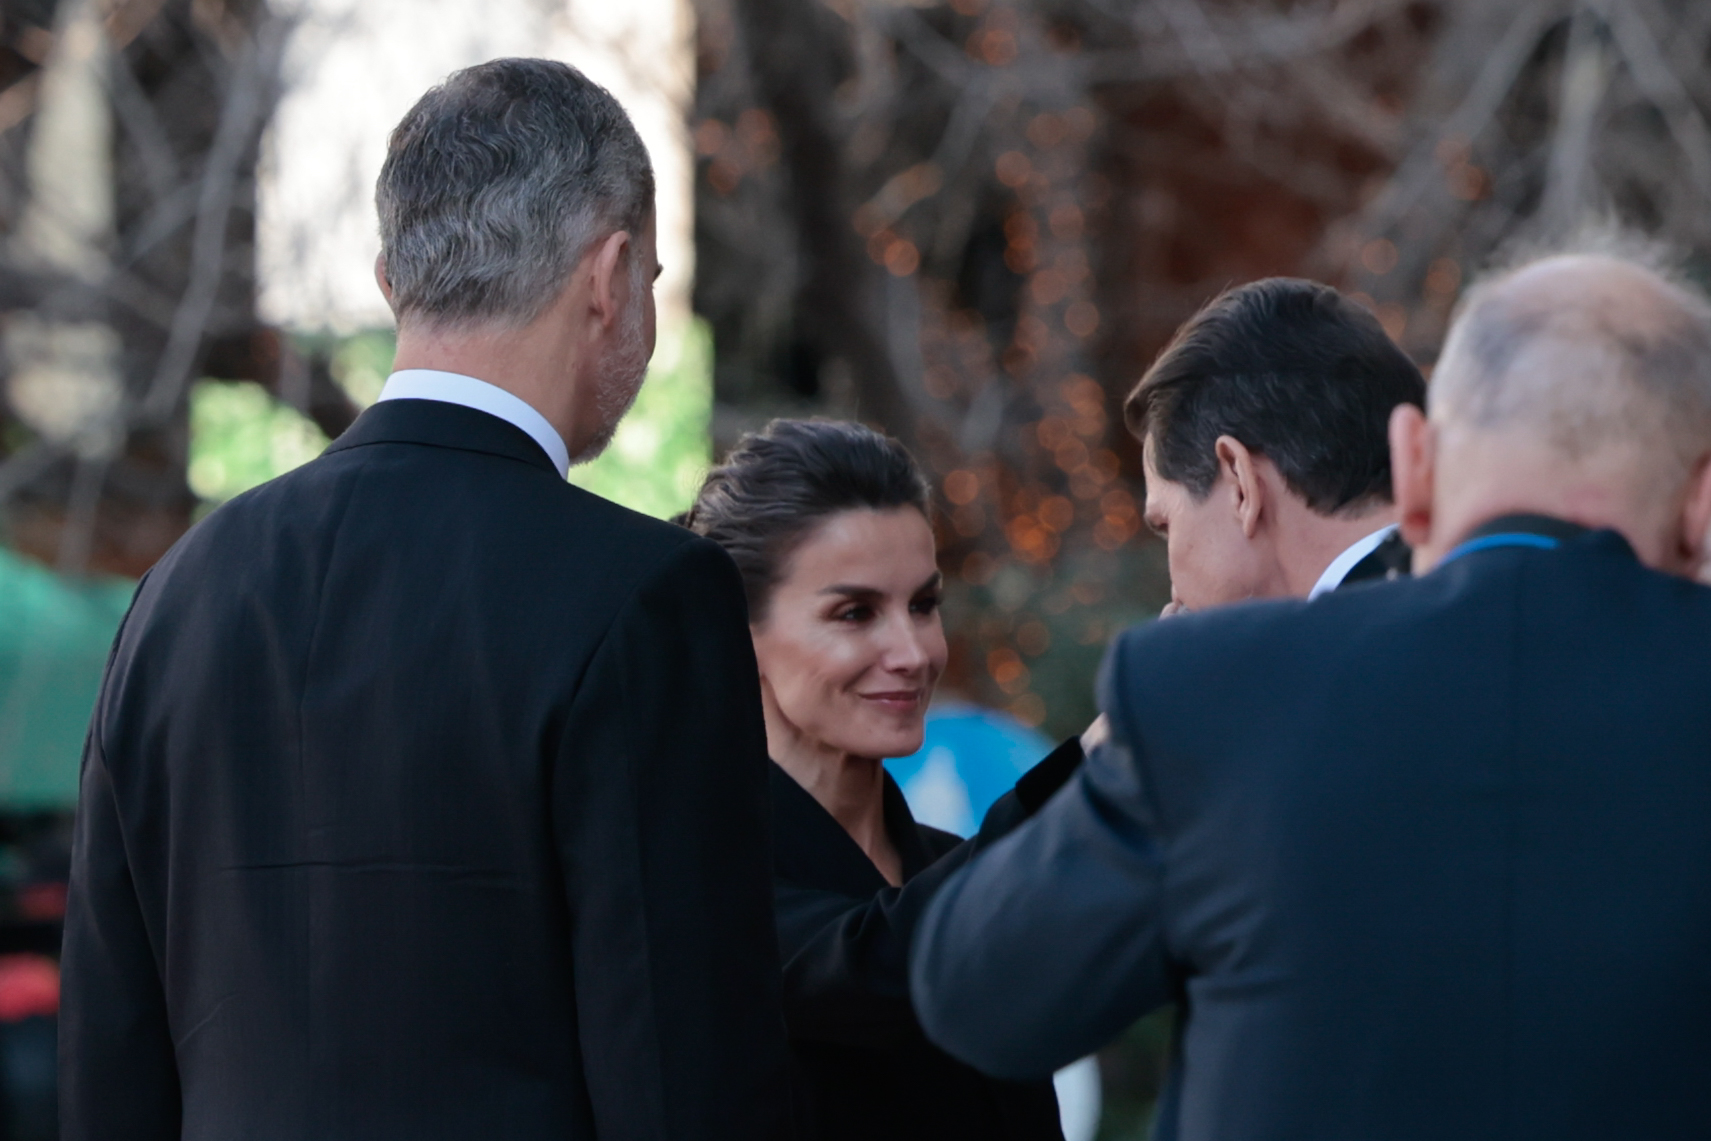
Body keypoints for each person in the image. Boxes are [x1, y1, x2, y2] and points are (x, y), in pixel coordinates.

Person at [60, 60, 794, 1141]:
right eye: (649, 277)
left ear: (388, 280)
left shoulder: (178, 590)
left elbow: (109, 1051)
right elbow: (682, 1072)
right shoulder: (642, 594)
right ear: (610, 276)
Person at [909, 249, 1711, 1139]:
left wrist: (1129, 754)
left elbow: (975, 989)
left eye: (1164, 525)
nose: (1168, 576)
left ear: (1416, 464)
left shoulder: (1213, 695)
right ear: (1702, 500)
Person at [685, 419, 1081, 1141]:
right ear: (736, 635)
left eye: (923, 605)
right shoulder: (697, 883)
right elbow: (878, 961)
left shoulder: (948, 862)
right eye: (855, 613)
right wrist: (1107, 759)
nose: (913, 651)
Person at [1133, 278, 1424, 610]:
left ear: (1241, 485)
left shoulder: (1329, 639)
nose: (1175, 595)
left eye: (1166, 527)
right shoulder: (1466, 596)